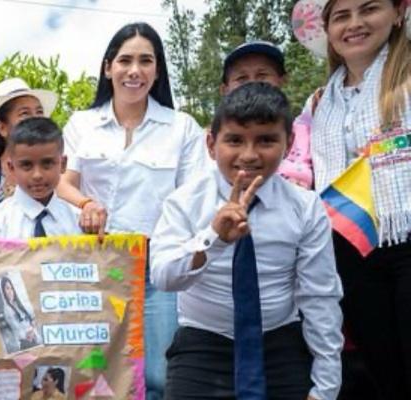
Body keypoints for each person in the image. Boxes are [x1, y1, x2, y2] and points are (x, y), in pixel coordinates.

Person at [150, 83, 343, 399]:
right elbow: (164, 277)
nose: (249, 155)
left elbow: (320, 298)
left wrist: (325, 387)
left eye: (266, 140)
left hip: (280, 343)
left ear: (289, 143)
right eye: (235, 140)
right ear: (211, 144)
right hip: (203, 345)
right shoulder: (183, 202)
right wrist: (213, 238)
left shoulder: (306, 208)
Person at [54, 22, 210, 399]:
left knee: (159, 374)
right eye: (125, 60)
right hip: (93, 267)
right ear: (108, 67)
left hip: (157, 268)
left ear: (157, 71)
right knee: (94, 372)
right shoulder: (82, 123)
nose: (134, 70)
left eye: (145, 61)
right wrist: (86, 203)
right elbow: (62, 181)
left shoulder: (181, 128)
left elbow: (196, 197)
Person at [302, 0, 411, 397]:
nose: (355, 24)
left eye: (369, 9)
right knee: (383, 369)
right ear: (327, 28)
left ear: (398, 12)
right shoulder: (318, 103)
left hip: (406, 237)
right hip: (349, 248)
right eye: (341, 16)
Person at [220, 40, 316, 189]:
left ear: (283, 80)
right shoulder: (218, 140)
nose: (253, 83)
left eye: (262, 75)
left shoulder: (308, 132)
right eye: (241, 78)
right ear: (224, 89)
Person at [0, 117, 81, 239]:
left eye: (47, 163)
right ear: (11, 168)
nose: (37, 175)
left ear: (63, 164)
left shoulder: (78, 222)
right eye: (26, 165)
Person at [0, 78, 57, 214]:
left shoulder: (56, 165)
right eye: (25, 114)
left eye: (39, 112)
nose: (35, 119)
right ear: (2, 128)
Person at [0, 277, 39, 353]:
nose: (10, 291)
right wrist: (29, 333)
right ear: (3, 292)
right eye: (7, 288)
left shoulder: (18, 304)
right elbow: (17, 329)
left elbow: (30, 319)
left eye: (11, 288)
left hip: (33, 337)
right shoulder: (7, 310)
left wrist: (33, 328)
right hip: (25, 342)